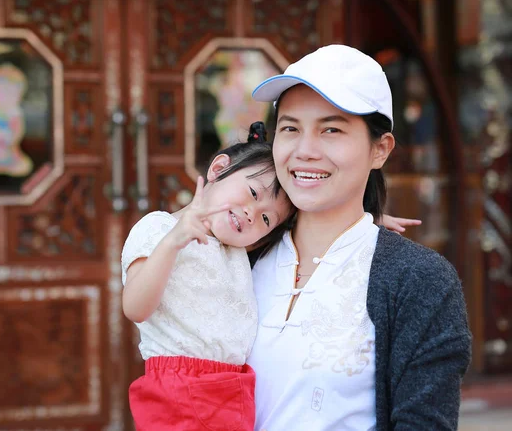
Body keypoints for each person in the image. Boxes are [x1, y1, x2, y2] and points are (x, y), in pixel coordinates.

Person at [121, 121, 417, 431]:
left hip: (233, 390)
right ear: (218, 168)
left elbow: (307, 221)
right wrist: (173, 243)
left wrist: (366, 220)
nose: (251, 212)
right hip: (178, 387)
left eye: (266, 218)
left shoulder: (238, 250)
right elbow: (135, 308)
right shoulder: (159, 229)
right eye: (251, 192)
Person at [246, 44, 472, 431]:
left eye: (331, 129)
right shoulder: (239, 256)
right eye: (290, 128)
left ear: (380, 149)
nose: (305, 151)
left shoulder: (418, 280)